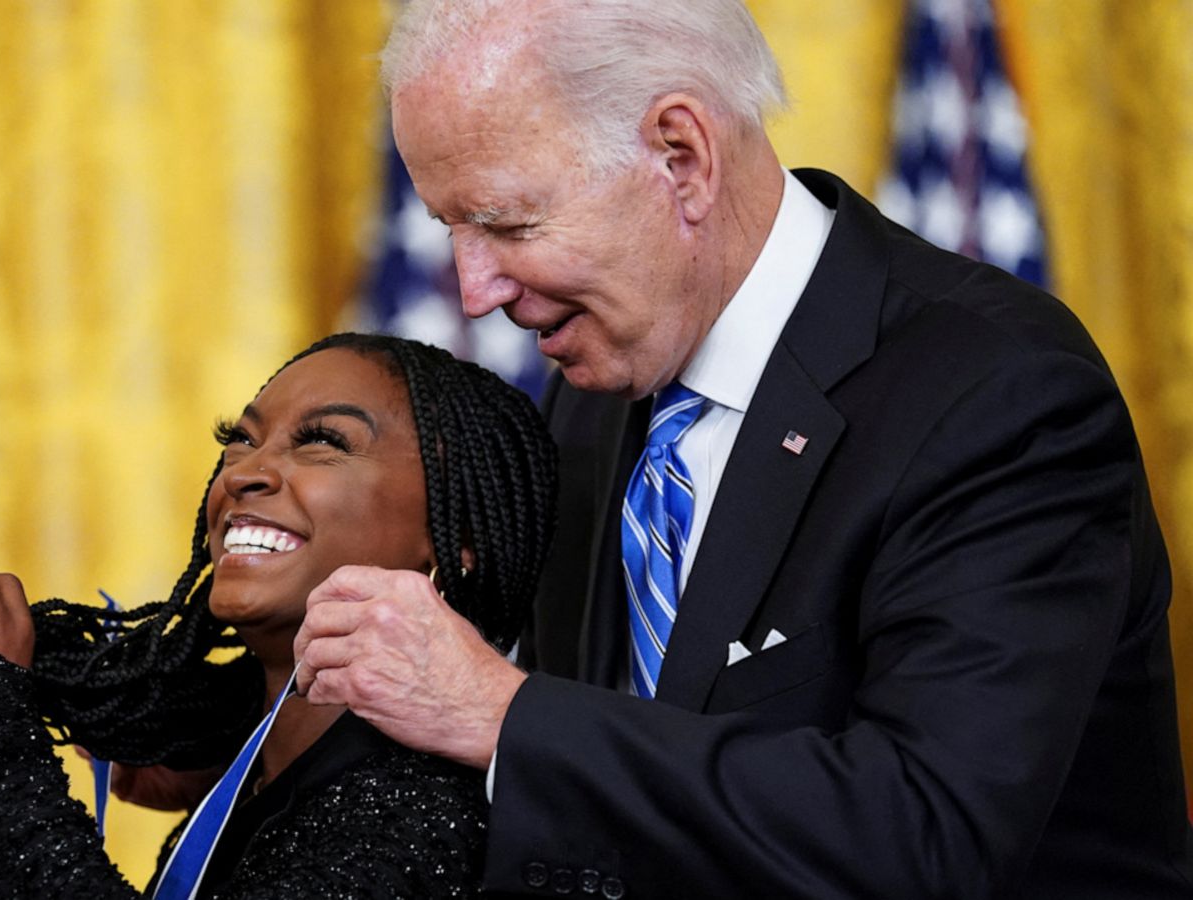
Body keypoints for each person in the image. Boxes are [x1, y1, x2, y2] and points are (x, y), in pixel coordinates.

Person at [291, 1, 1193, 897]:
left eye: (508, 225)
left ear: (681, 157)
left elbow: (928, 838)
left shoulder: (997, 393)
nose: (475, 290)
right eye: (452, 229)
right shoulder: (595, 395)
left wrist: (502, 713)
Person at [0, 333, 558, 898]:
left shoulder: (419, 808)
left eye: (322, 444)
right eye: (237, 441)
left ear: (456, 543)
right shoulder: (262, 773)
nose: (245, 472)